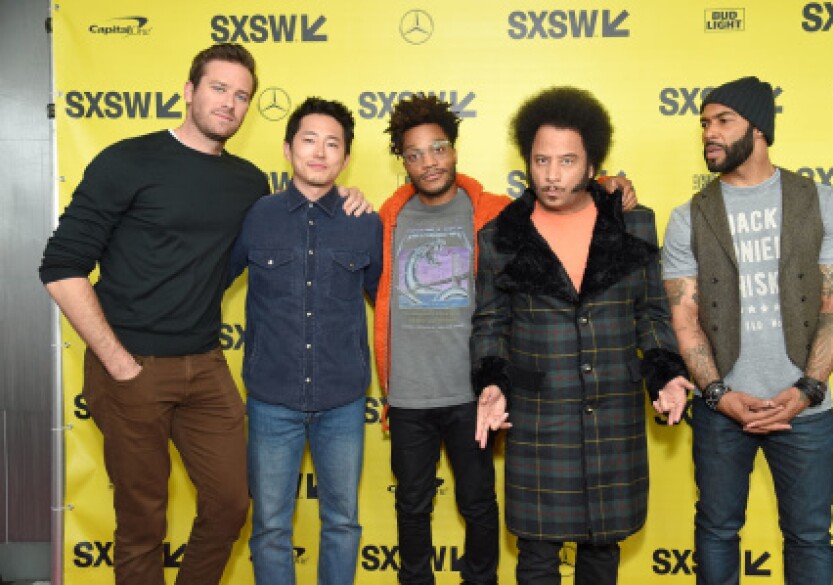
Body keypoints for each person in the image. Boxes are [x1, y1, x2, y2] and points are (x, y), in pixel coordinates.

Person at [38, 44, 366, 584]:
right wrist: (117, 361)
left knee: (232, 505)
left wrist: (344, 198)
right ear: (189, 91)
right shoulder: (126, 161)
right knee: (142, 522)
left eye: (242, 96)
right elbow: (61, 266)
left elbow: (291, 227)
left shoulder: (249, 184)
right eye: (219, 89)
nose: (229, 104)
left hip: (206, 366)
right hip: (130, 367)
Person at [375, 93, 639, 585]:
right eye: (414, 154)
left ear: (454, 150)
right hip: (409, 393)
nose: (428, 162)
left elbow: (556, 195)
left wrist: (608, 184)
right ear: (402, 162)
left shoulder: (494, 211)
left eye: (437, 149)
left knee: (479, 504)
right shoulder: (388, 218)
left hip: (473, 394)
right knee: (411, 507)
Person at [470, 86, 691, 585]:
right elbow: (490, 322)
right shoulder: (502, 236)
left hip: (612, 413)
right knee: (537, 557)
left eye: (567, 161)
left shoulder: (632, 224)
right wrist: (490, 382)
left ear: (592, 165)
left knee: (602, 550)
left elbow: (652, 313)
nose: (552, 174)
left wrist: (665, 373)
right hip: (539, 419)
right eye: (541, 159)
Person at [661, 76, 833, 585]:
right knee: (717, 530)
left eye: (723, 121)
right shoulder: (689, 217)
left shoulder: (821, 202)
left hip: (806, 409)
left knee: (811, 536)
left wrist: (805, 390)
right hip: (722, 406)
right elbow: (684, 321)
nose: (710, 132)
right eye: (705, 123)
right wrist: (718, 394)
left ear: (759, 129)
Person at [227, 97, 382, 585]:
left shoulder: (366, 221)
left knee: (342, 523)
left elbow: (389, 309)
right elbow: (205, 281)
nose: (320, 152)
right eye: (309, 140)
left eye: (332, 143)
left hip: (343, 400)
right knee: (271, 527)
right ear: (288, 148)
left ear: (346, 157)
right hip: (272, 399)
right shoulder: (256, 216)